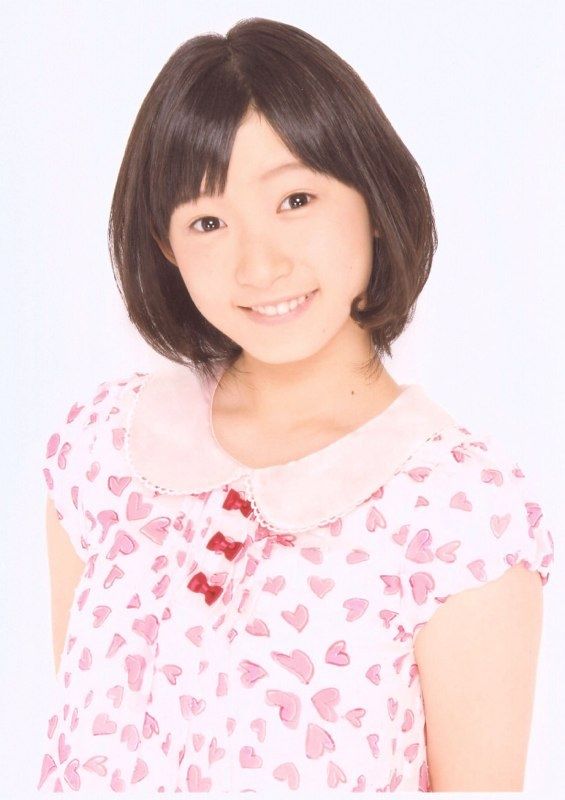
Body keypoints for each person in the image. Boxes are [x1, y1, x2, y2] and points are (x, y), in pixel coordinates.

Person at [37, 17, 554, 794]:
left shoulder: (457, 514)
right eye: (207, 221)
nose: (259, 264)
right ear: (166, 246)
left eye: (295, 199)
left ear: (371, 199)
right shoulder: (104, 451)